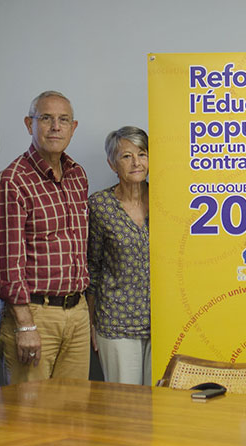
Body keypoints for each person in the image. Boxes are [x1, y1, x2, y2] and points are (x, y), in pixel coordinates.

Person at [0, 90, 91, 383]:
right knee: (30, 419)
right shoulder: (12, 182)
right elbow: (7, 262)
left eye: (63, 120)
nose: (55, 127)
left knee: (74, 416)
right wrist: (24, 325)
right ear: (28, 124)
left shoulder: (77, 176)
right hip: (35, 314)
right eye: (46, 118)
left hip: (77, 312)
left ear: (73, 127)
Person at [88, 126, 151, 385]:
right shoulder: (100, 205)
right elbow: (92, 267)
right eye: (126, 156)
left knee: (162, 409)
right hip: (116, 323)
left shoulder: (167, 198)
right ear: (112, 164)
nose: (136, 162)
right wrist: (90, 324)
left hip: (165, 321)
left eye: (142, 154)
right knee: (126, 409)